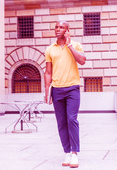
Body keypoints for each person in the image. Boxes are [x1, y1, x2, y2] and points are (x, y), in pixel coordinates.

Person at [44, 20, 86, 168]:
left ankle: (75, 153)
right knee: (61, 123)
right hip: (57, 90)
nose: (58, 29)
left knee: (72, 119)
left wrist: (69, 45)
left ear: (67, 30)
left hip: (72, 88)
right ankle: (67, 152)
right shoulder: (50, 49)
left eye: (61, 27)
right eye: (56, 27)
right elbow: (48, 72)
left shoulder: (76, 45)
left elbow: (82, 61)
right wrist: (47, 91)